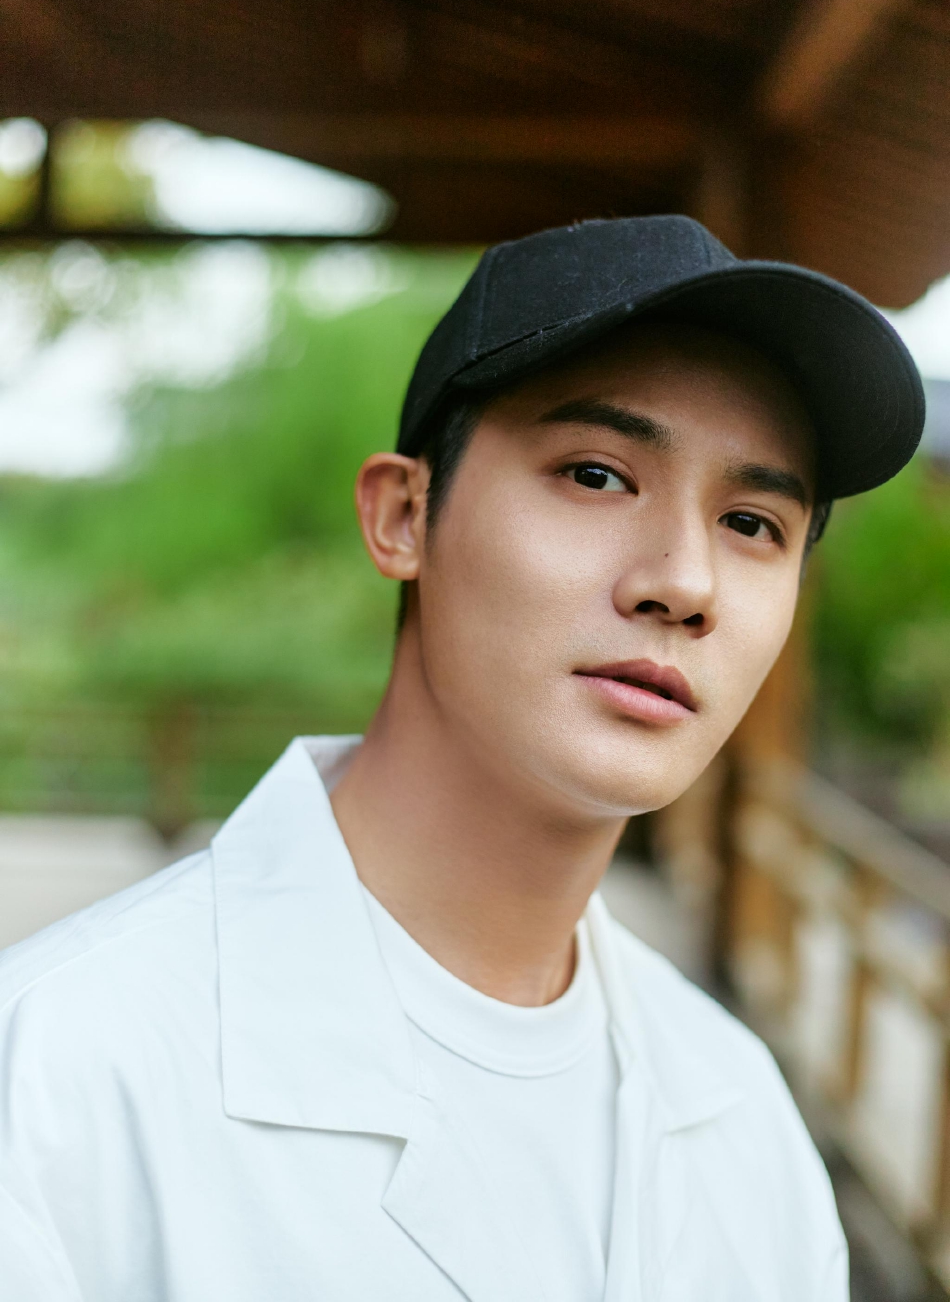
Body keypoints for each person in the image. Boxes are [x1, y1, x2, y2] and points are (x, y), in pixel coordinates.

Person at [0, 216, 924, 1301]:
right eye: (595, 474)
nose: (684, 582)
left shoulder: (741, 1120)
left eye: (753, 524)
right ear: (403, 515)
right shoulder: (59, 1072)